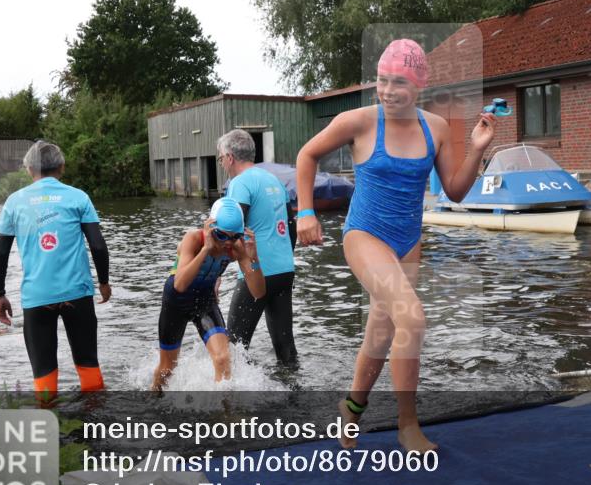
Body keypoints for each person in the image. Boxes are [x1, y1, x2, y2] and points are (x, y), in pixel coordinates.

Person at [296, 38, 497, 453]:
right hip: (364, 234)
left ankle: (351, 407)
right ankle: (408, 426)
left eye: (399, 83)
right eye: (382, 81)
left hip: (408, 242)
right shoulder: (360, 121)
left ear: (419, 85)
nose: (388, 91)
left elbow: (455, 192)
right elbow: (307, 155)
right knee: (413, 318)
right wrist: (305, 212)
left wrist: (476, 150)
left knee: (382, 333)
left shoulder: (435, 128)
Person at [0, 141, 112, 395]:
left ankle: (49, 425)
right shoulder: (78, 197)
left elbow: (0, 253)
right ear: (62, 167)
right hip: (77, 293)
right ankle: (95, 425)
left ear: (28, 169)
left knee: (44, 373)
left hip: (37, 297)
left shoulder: (14, 202)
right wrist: (103, 282)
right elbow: (98, 246)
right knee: (88, 364)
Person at [151, 198, 264, 391]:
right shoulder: (194, 238)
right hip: (176, 301)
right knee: (167, 369)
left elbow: (258, 292)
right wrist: (206, 249)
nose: (227, 243)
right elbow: (180, 284)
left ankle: (225, 414)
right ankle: (153, 397)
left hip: (204, 300)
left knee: (222, 359)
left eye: (234, 237)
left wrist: (252, 257)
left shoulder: (236, 248)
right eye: (221, 236)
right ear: (210, 227)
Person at [216, 130, 298, 365]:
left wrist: (217, 273)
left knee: (234, 346)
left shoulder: (239, 183)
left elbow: (231, 232)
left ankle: (233, 399)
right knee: (285, 347)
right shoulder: (274, 180)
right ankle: (294, 395)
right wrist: (284, 258)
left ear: (230, 157)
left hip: (257, 272)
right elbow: (291, 228)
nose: (222, 164)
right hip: (284, 270)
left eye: (221, 159)